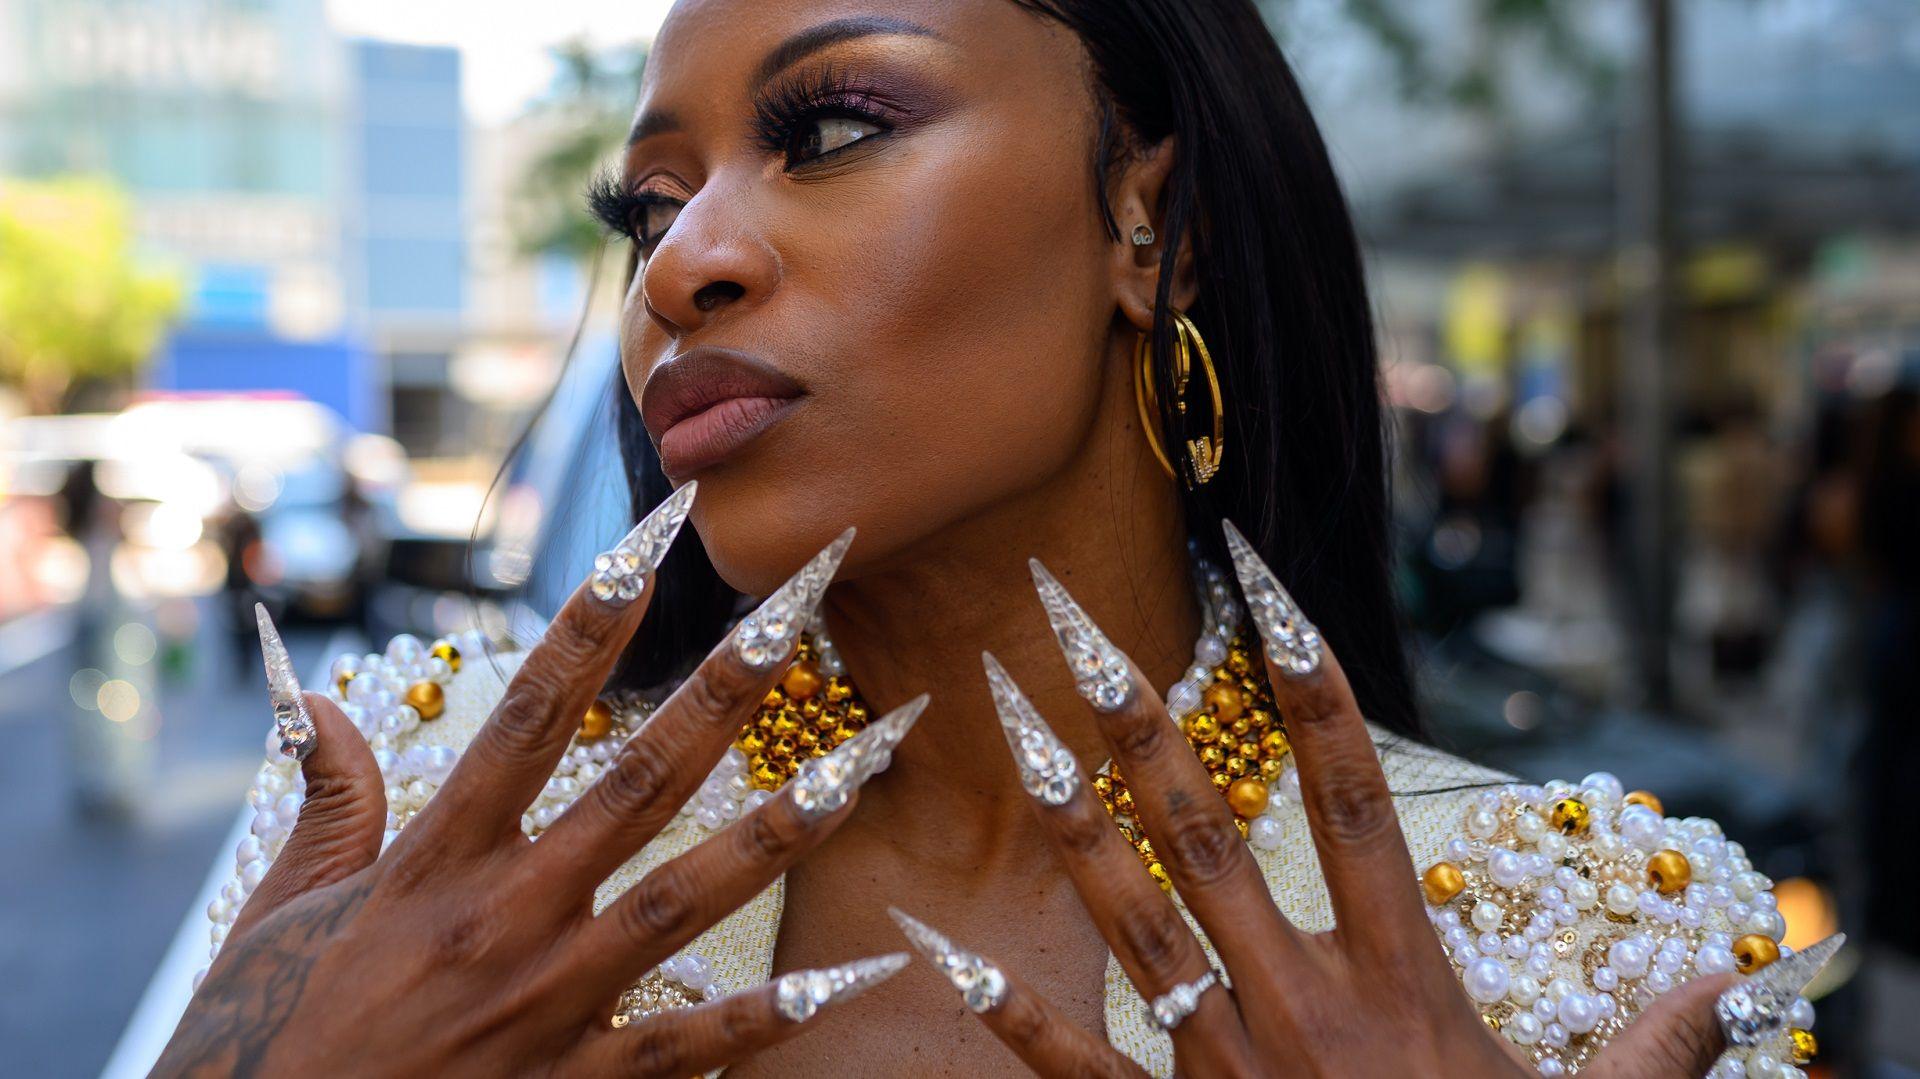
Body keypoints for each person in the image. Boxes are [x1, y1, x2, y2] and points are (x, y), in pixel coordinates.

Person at [157, 2, 1835, 1075]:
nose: (680, 268)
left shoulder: (1594, 939)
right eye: (646, 209)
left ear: (1152, 225)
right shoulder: (411, 814)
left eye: (828, 131)